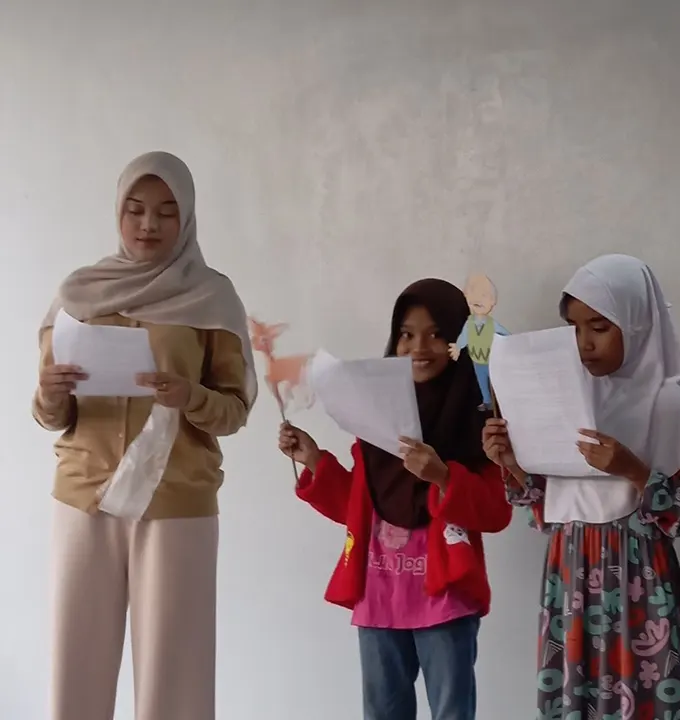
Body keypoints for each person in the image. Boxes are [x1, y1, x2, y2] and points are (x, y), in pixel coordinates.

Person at [34, 151, 256, 720]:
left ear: (187, 219)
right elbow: (49, 412)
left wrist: (191, 398)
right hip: (85, 496)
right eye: (135, 210)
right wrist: (52, 395)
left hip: (176, 501)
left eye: (165, 213)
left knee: (173, 676)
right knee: (74, 668)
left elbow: (233, 410)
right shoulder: (78, 295)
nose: (148, 225)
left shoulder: (213, 298)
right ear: (118, 213)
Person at [482, 254, 680, 719]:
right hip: (571, 570)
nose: (584, 343)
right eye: (574, 328)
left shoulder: (666, 400)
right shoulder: (565, 395)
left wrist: (633, 470)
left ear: (637, 322)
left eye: (600, 327)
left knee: (645, 698)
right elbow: (543, 510)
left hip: (638, 577)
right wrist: (512, 462)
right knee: (574, 699)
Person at [279, 278, 512, 720]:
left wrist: (443, 476)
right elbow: (362, 505)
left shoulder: (480, 421)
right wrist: (314, 461)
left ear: (458, 341)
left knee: (452, 712)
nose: (418, 346)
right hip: (379, 594)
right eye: (406, 334)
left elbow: (496, 511)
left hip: (443, 596)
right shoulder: (375, 416)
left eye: (436, 333)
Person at [449, 273, 509, 410]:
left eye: (483, 295)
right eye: (473, 293)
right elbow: (464, 336)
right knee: (482, 382)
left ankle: (498, 401)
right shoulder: (469, 323)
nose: (477, 299)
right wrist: (458, 347)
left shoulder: (492, 324)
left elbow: (505, 333)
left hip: (491, 360)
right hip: (476, 359)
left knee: (495, 381)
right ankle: (487, 401)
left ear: (493, 301)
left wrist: (513, 343)